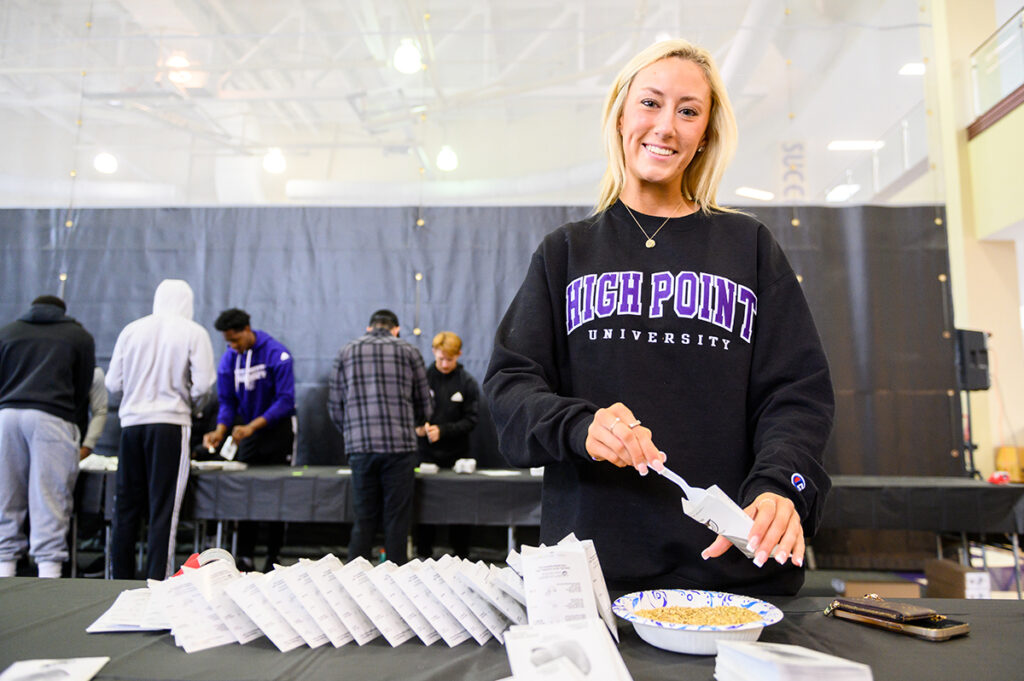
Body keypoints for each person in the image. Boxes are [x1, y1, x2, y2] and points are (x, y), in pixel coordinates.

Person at [483, 38, 834, 596]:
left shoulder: (749, 247)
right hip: (596, 577)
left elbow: (798, 393)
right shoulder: (566, 253)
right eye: (650, 103)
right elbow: (509, 387)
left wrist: (779, 487)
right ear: (620, 114)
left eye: (688, 111)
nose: (666, 126)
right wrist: (579, 425)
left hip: (732, 577)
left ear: (705, 135)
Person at [107, 279, 216, 580]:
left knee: (126, 506)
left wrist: (136, 398)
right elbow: (204, 384)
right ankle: (158, 582)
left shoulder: (131, 330)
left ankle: (118, 580)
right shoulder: (193, 332)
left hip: (131, 424)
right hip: (170, 423)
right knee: (163, 508)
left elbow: (112, 384)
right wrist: (192, 405)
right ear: (188, 302)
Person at [0, 295, 95, 578]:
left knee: (5, 498)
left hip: (6, 416)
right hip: (52, 417)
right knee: (49, 499)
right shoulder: (79, 337)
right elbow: (83, 387)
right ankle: (49, 577)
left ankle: (4, 576)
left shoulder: (7, 333)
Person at [328, 309, 431, 565]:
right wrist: (413, 423)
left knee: (364, 518)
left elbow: (334, 405)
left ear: (369, 327)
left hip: (361, 447)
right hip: (400, 448)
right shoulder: (409, 351)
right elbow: (425, 405)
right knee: (396, 521)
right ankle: (396, 584)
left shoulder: (346, 351)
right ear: (395, 329)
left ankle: (356, 584)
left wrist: (353, 433)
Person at [203, 308, 296, 571]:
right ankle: (244, 555)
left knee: (276, 492)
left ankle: (273, 556)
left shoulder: (277, 354)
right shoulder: (229, 360)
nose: (233, 346)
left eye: (236, 340)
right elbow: (227, 401)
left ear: (247, 330)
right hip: (247, 433)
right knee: (247, 492)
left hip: (275, 432)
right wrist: (221, 430)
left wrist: (253, 426)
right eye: (228, 342)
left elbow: (286, 401)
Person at [414, 331, 480, 558]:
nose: (444, 364)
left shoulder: (467, 382)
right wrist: (419, 427)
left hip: (457, 455)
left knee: (460, 507)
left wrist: (443, 430)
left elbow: (472, 420)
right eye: (441, 358)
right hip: (425, 454)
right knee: (424, 507)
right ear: (433, 352)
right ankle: (423, 555)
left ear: (459, 355)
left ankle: (462, 555)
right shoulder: (421, 378)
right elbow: (411, 410)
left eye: (449, 360)